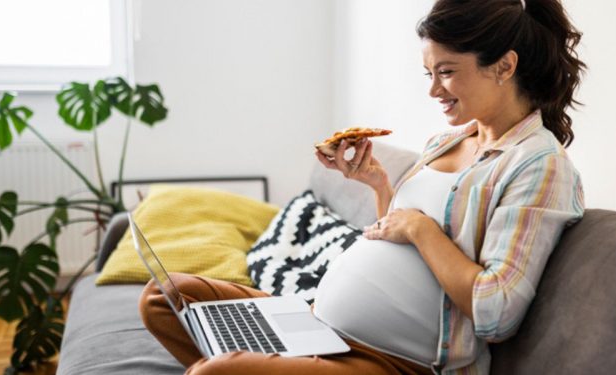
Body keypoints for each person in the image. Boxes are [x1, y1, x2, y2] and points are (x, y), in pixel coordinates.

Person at [139, 0, 586, 374]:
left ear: (505, 66)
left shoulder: (538, 165)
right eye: (428, 73)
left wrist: (419, 230)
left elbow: (496, 311)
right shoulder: (448, 140)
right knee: (165, 297)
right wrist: (377, 184)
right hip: (318, 322)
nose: (433, 90)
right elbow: (399, 236)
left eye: (446, 71)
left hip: (390, 360)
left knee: (215, 373)